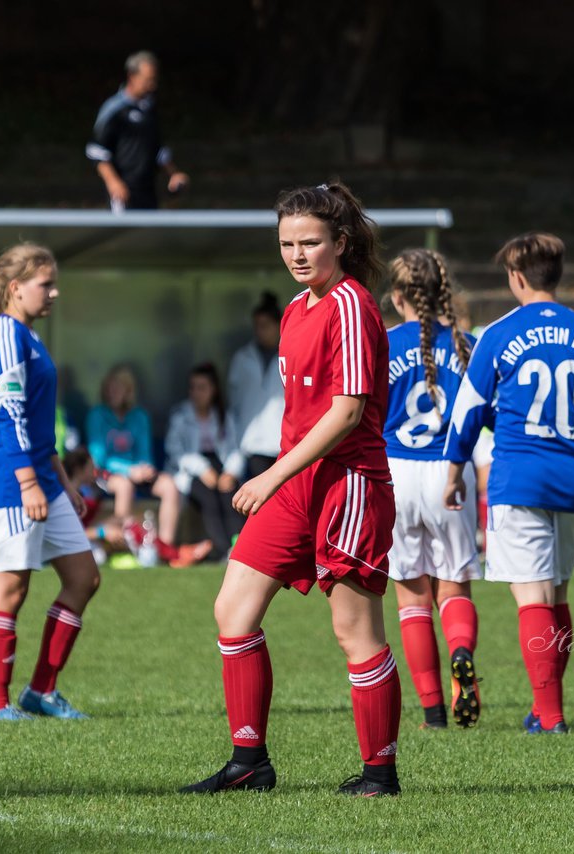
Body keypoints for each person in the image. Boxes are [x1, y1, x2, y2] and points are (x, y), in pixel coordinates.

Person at [181, 182, 401, 797]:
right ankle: (249, 762)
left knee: (355, 632)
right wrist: (282, 475)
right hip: (296, 482)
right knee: (233, 610)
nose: (298, 254)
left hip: (347, 484)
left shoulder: (352, 304)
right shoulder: (296, 309)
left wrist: (272, 473)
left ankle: (380, 775)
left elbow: (348, 411)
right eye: (287, 243)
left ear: (341, 241)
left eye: (310, 242)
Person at [444, 232, 574, 738]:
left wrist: (453, 471)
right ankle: (544, 709)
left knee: (532, 598)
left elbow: (468, 411)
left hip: (521, 480)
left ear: (515, 279)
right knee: (555, 593)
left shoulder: (498, 334)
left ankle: (551, 715)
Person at [0, 243, 101, 722]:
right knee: (10, 590)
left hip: (43, 478)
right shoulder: (6, 334)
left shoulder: (27, 335)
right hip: (12, 478)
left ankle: (40, 693)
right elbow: (9, 414)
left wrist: (62, 481)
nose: (54, 292)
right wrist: (28, 481)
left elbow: (40, 423)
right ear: (15, 288)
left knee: (84, 578)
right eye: (45, 284)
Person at [382, 248, 482, 730]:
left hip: (397, 473)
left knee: (411, 598)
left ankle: (434, 712)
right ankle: (461, 652)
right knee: (454, 586)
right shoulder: (468, 344)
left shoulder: (382, 345)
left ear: (397, 296)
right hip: (451, 472)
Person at [86, 365, 205, 567]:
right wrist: (129, 470)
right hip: (107, 474)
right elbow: (99, 458)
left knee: (169, 485)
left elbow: (144, 452)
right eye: (109, 388)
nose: (112, 393)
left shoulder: (139, 416)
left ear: (128, 391)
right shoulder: (97, 415)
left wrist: (145, 469)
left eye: (117, 388)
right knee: (124, 486)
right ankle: (122, 545)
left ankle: (165, 549)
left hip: (136, 472)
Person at [86, 50, 188, 211]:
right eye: (148, 80)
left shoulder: (149, 108)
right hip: (122, 193)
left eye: (154, 80)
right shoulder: (114, 110)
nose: (152, 85)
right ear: (132, 76)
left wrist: (173, 173)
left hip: (148, 191)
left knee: (149, 235)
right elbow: (95, 150)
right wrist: (113, 182)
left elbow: (157, 148)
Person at [165, 363, 243, 562]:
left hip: (220, 465)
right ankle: (223, 548)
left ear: (213, 390)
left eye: (202, 387)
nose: (196, 393)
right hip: (190, 471)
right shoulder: (180, 415)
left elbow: (235, 449)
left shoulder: (224, 415)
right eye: (193, 387)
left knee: (231, 493)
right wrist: (201, 468)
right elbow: (176, 453)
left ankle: (238, 546)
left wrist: (231, 472)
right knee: (209, 496)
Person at [228, 291, 285, 480]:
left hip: (284, 441)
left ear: (279, 325)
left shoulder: (292, 355)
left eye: (265, 326)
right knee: (259, 503)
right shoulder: (242, 358)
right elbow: (234, 400)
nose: (260, 331)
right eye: (257, 326)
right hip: (253, 441)